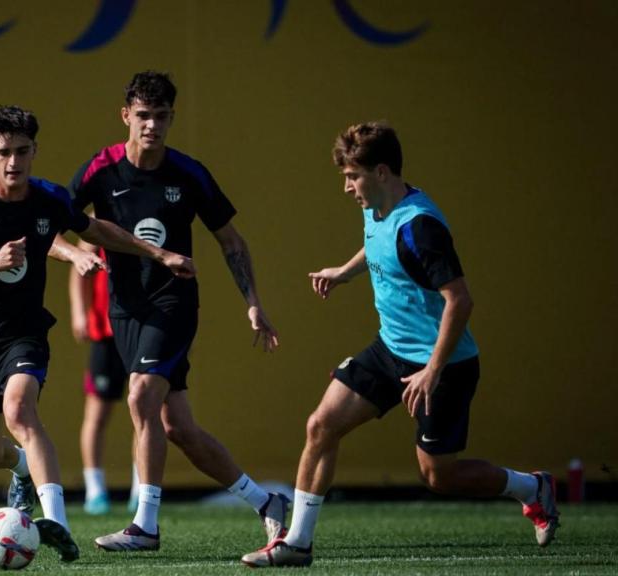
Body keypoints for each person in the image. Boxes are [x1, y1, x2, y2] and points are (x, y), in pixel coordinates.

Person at [240, 122, 560, 568]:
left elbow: (460, 301)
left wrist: (432, 369)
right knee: (321, 425)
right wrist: (344, 272)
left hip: (444, 365)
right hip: (389, 351)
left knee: (438, 475)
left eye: (353, 177)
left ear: (383, 171)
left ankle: (532, 488)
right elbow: (376, 246)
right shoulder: (376, 207)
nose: (348, 188)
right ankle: (298, 542)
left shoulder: (421, 227)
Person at [0, 105, 195, 563]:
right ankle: (21, 468)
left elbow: (95, 228)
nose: (14, 162)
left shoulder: (47, 197)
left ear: (35, 152)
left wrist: (158, 253)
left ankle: (56, 523)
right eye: (5, 152)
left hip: (23, 334)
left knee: (20, 409)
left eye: (23, 151)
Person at [66, 71, 286, 552]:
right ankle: (267, 503)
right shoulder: (99, 170)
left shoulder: (189, 174)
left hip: (174, 303)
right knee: (177, 428)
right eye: (143, 115)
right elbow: (48, 222)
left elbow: (231, 241)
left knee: (141, 396)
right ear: (125, 115)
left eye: (161, 116)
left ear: (171, 119)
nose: (152, 126)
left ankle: (145, 525)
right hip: (124, 310)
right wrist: (74, 254)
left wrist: (253, 304)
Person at [68, 241, 139, 515]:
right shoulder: (98, 219)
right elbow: (78, 267)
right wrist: (79, 312)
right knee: (97, 414)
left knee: (144, 411)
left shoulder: (146, 212)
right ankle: (94, 489)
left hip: (141, 330)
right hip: (106, 332)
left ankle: (140, 488)